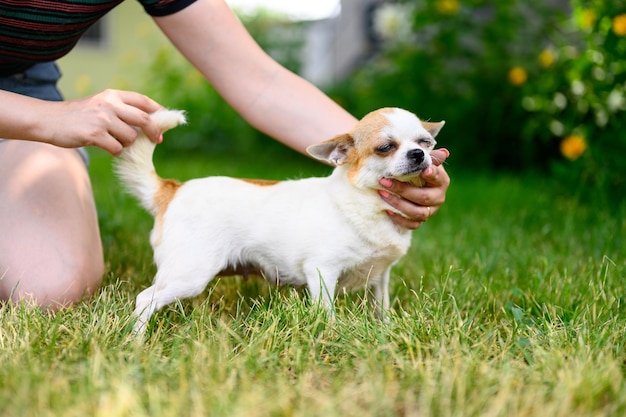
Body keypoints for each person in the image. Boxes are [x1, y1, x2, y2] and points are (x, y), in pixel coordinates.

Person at [0, 0, 450, 309]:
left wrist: (373, 147)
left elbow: (257, 80)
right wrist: (45, 120)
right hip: (35, 117)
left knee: (48, 288)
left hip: (21, 93)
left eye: (418, 145)